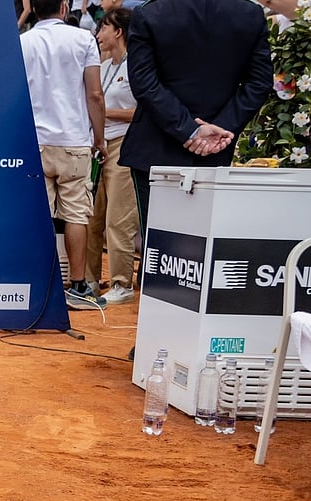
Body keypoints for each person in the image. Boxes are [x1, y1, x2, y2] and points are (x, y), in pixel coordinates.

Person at [117, 0, 271, 291]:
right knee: (203, 249)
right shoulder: (249, 13)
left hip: (158, 147)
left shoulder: (151, 13)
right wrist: (218, 129)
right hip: (214, 149)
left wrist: (191, 130)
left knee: (160, 251)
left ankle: (157, 329)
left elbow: (144, 83)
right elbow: (259, 84)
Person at [20, 0, 107, 310]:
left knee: (38, 215)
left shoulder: (23, 41)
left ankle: (38, 283)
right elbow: (94, 94)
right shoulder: (83, 39)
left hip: (35, 141)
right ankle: (78, 286)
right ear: (63, 7)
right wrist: (100, 138)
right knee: (75, 214)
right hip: (74, 140)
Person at [86, 8, 138, 305]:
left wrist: (103, 112)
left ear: (118, 31)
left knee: (119, 217)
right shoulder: (104, 67)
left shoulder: (135, 67)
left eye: (103, 28)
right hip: (99, 147)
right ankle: (91, 281)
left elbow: (142, 112)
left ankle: (122, 283)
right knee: (93, 216)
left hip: (124, 143)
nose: (98, 34)